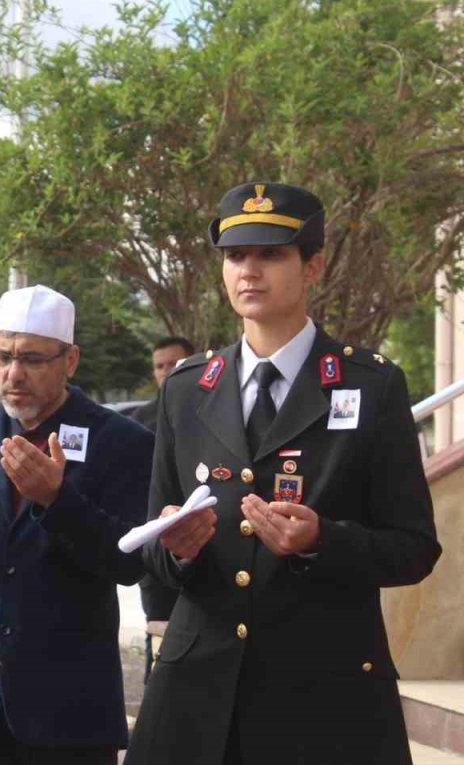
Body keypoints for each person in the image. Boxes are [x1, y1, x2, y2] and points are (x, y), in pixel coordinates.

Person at [125, 182, 441, 765]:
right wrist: (178, 549)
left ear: (312, 266)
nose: (249, 270)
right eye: (235, 255)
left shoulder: (370, 386)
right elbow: (156, 542)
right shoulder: (189, 388)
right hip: (198, 696)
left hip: (322, 697)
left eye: (270, 254)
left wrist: (322, 539)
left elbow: (414, 549)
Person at [0, 285, 152, 765]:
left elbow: (129, 561)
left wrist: (57, 499)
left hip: (69, 714)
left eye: (32, 359)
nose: (14, 374)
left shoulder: (123, 442)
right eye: (3, 357)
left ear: (70, 361)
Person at [124, 335, 194, 681]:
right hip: (156, 552)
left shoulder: (211, 413)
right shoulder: (139, 422)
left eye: (175, 364)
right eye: (159, 366)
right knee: (163, 662)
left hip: (205, 549)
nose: (166, 372)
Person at [125, 336, 195, 431]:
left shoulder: (212, 408)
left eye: (173, 364)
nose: (165, 371)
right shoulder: (141, 418)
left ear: (194, 364)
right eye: (159, 366)